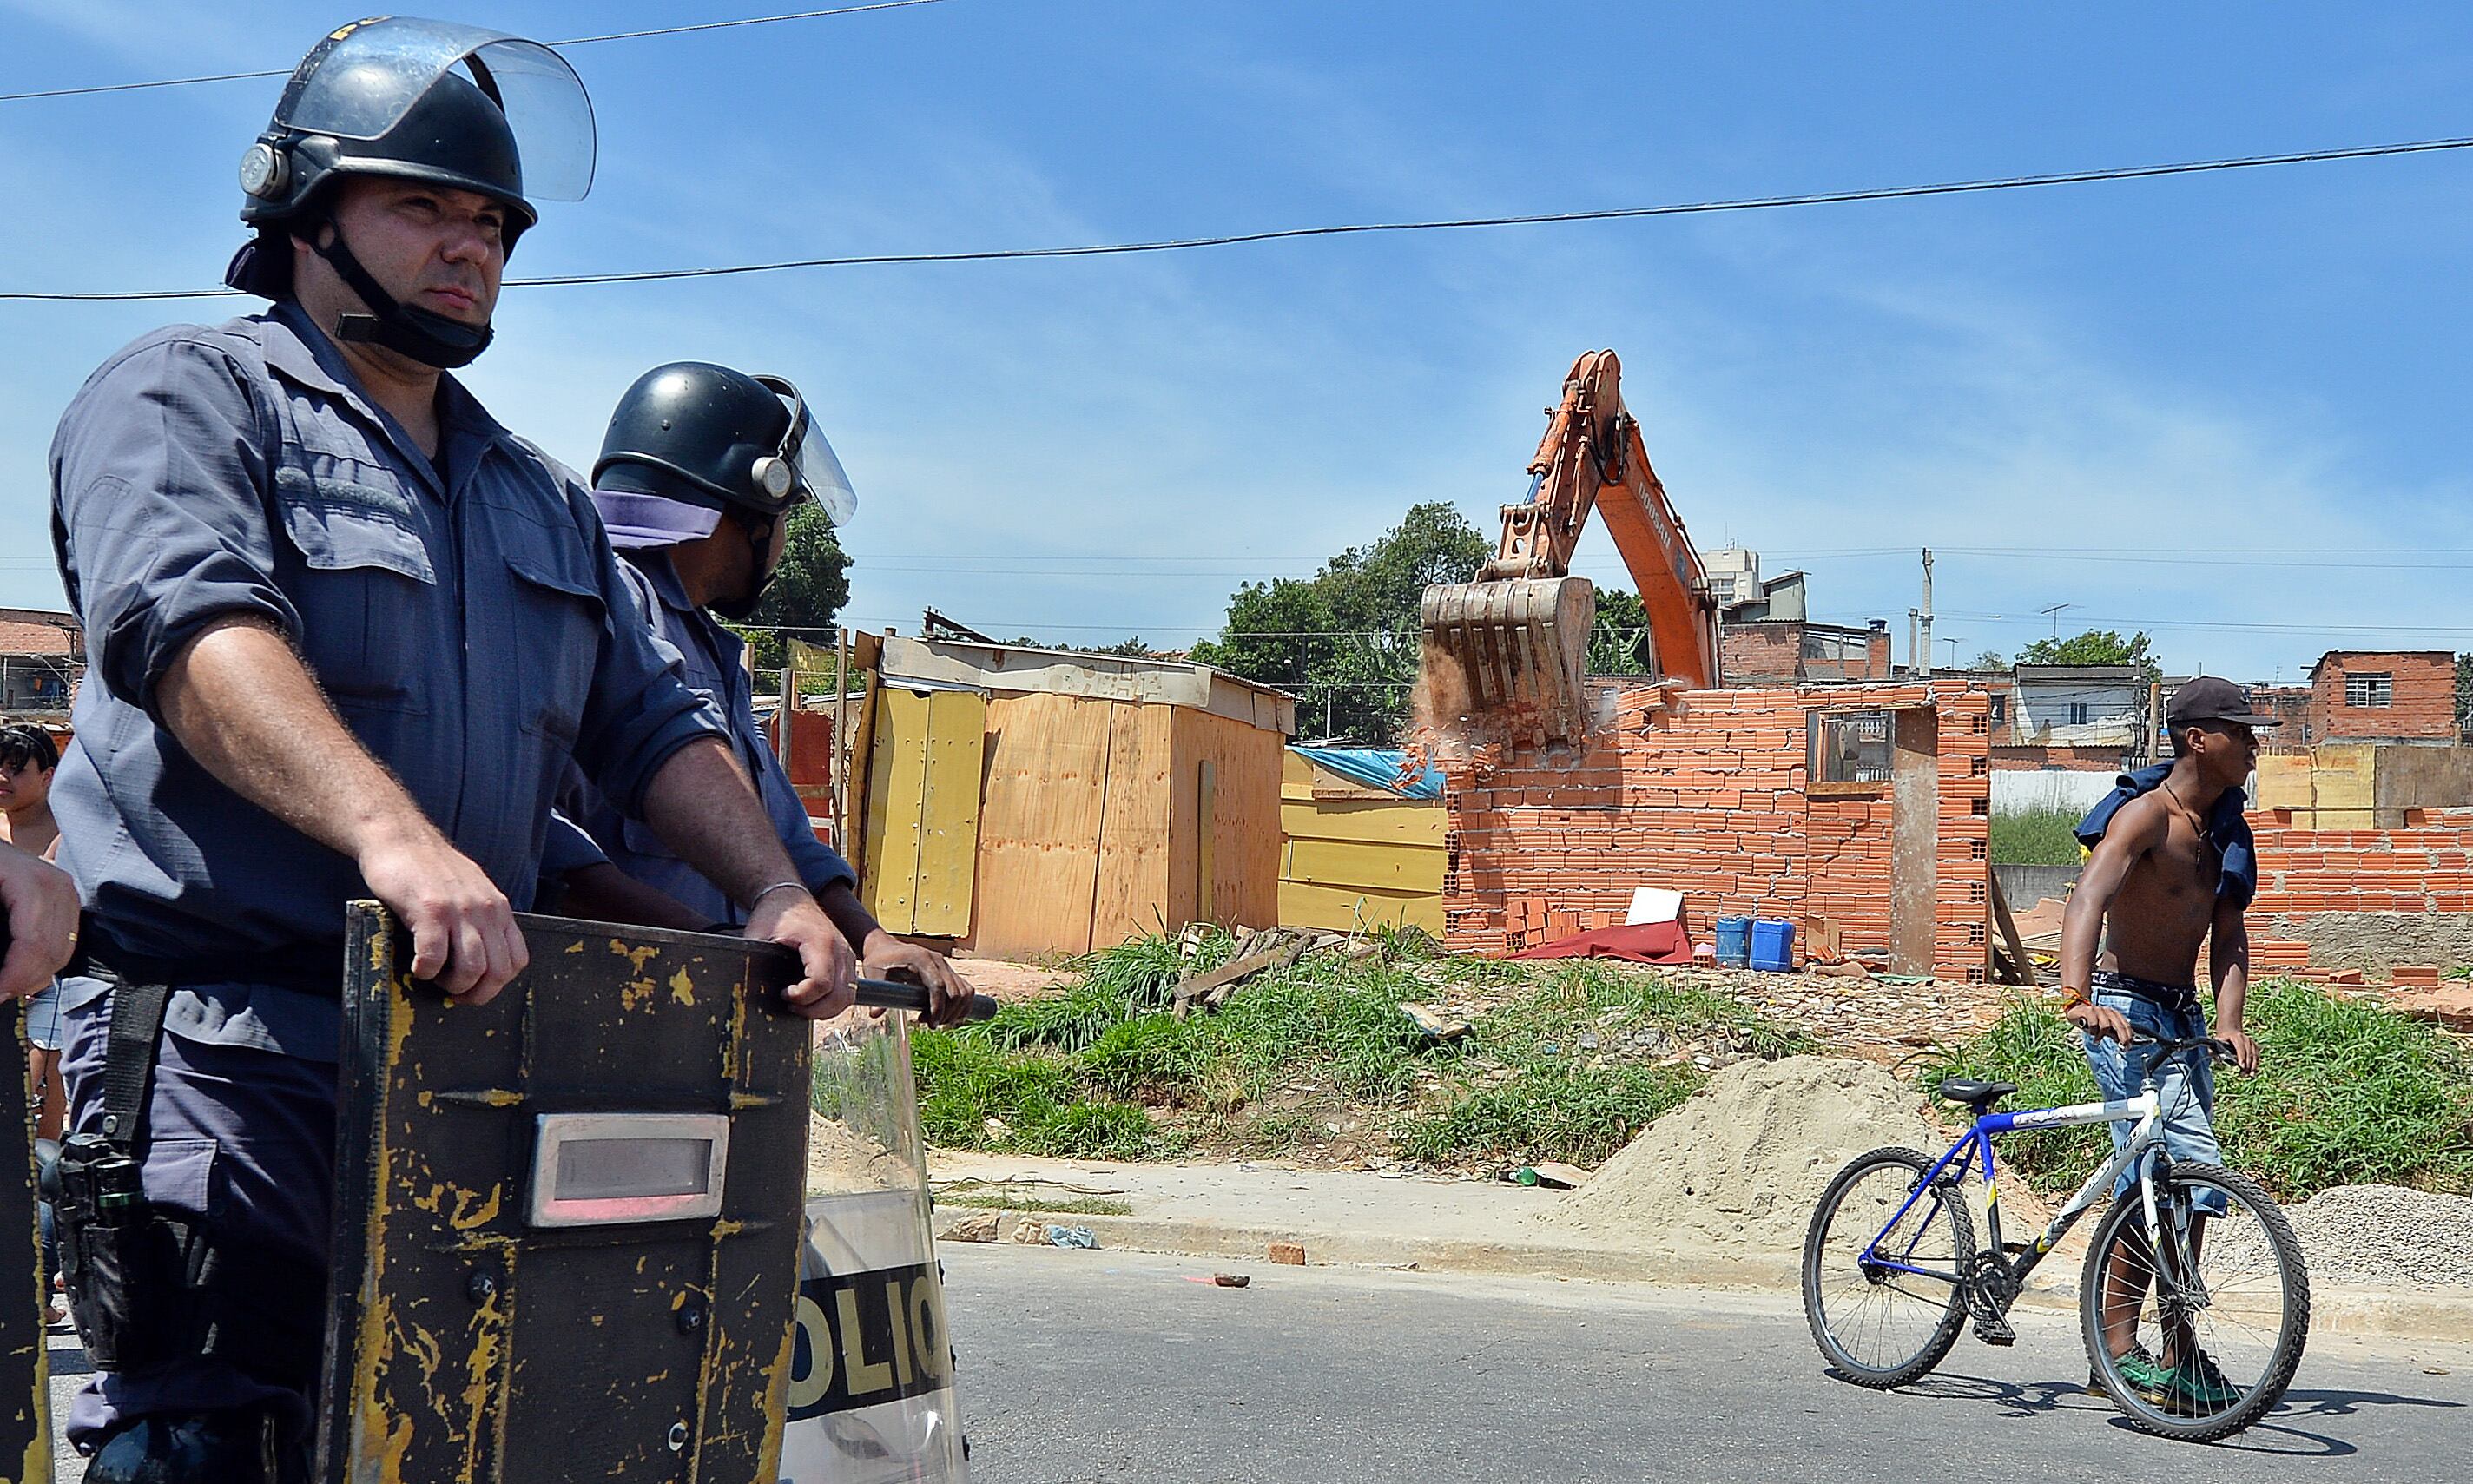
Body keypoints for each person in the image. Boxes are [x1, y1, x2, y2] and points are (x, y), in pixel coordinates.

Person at [46, 19, 859, 1479]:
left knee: (467, 1432)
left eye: (488, 221)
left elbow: (652, 720)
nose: (465, 247)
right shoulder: (185, 397)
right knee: (215, 1438)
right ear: (303, 209)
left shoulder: (534, 495)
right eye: (419, 205)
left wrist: (771, 891)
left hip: (469, 1053)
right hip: (236, 1048)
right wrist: (394, 834)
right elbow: (190, 634)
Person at [561, 361, 974, 1024]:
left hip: (709, 1016)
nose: (781, 542)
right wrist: (711, 945)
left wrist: (872, 939)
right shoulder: (598, 612)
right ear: (744, 510)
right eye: (781, 516)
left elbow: (784, 837)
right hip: (608, 1017)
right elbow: (547, 846)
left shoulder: (712, 652)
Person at [2058, 676, 2272, 1415]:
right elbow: (2089, 895)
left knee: (2184, 1183)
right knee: (2160, 1174)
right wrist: (2078, 997)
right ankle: (2120, 1352)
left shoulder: (2226, 832)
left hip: (2179, 1017)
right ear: (2196, 738)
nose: (2253, 742)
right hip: (2121, 1006)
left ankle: (2172, 1349)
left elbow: (2230, 934)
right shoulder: (2148, 815)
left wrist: (2230, 1019)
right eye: (2240, 731)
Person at [0, 725, 68, 1144]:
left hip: (52, 985)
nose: (3, 777)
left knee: (39, 1095)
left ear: (47, 776)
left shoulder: (69, 835)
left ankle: (42, 1197)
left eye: (15, 769)